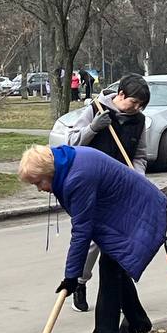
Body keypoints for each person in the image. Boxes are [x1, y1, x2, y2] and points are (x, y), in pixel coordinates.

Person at [17, 144, 166, 333]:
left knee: (110, 267)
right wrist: (73, 276)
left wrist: (72, 277)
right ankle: (137, 323)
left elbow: (81, 231)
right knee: (114, 266)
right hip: (122, 213)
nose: (40, 189)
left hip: (138, 212)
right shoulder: (65, 163)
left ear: (48, 172)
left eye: (38, 182)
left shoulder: (77, 177)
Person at [64, 74, 151, 312]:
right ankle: (80, 282)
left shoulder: (139, 121)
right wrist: (93, 128)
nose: (137, 108)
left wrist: (137, 175)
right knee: (93, 240)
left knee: (121, 240)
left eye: (141, 105)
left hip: (123, 188)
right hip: (94, 187)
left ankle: (119, 294)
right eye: (134, 102)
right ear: (120, 95)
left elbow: (140, 155)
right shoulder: (95, 110)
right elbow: (71, 145)